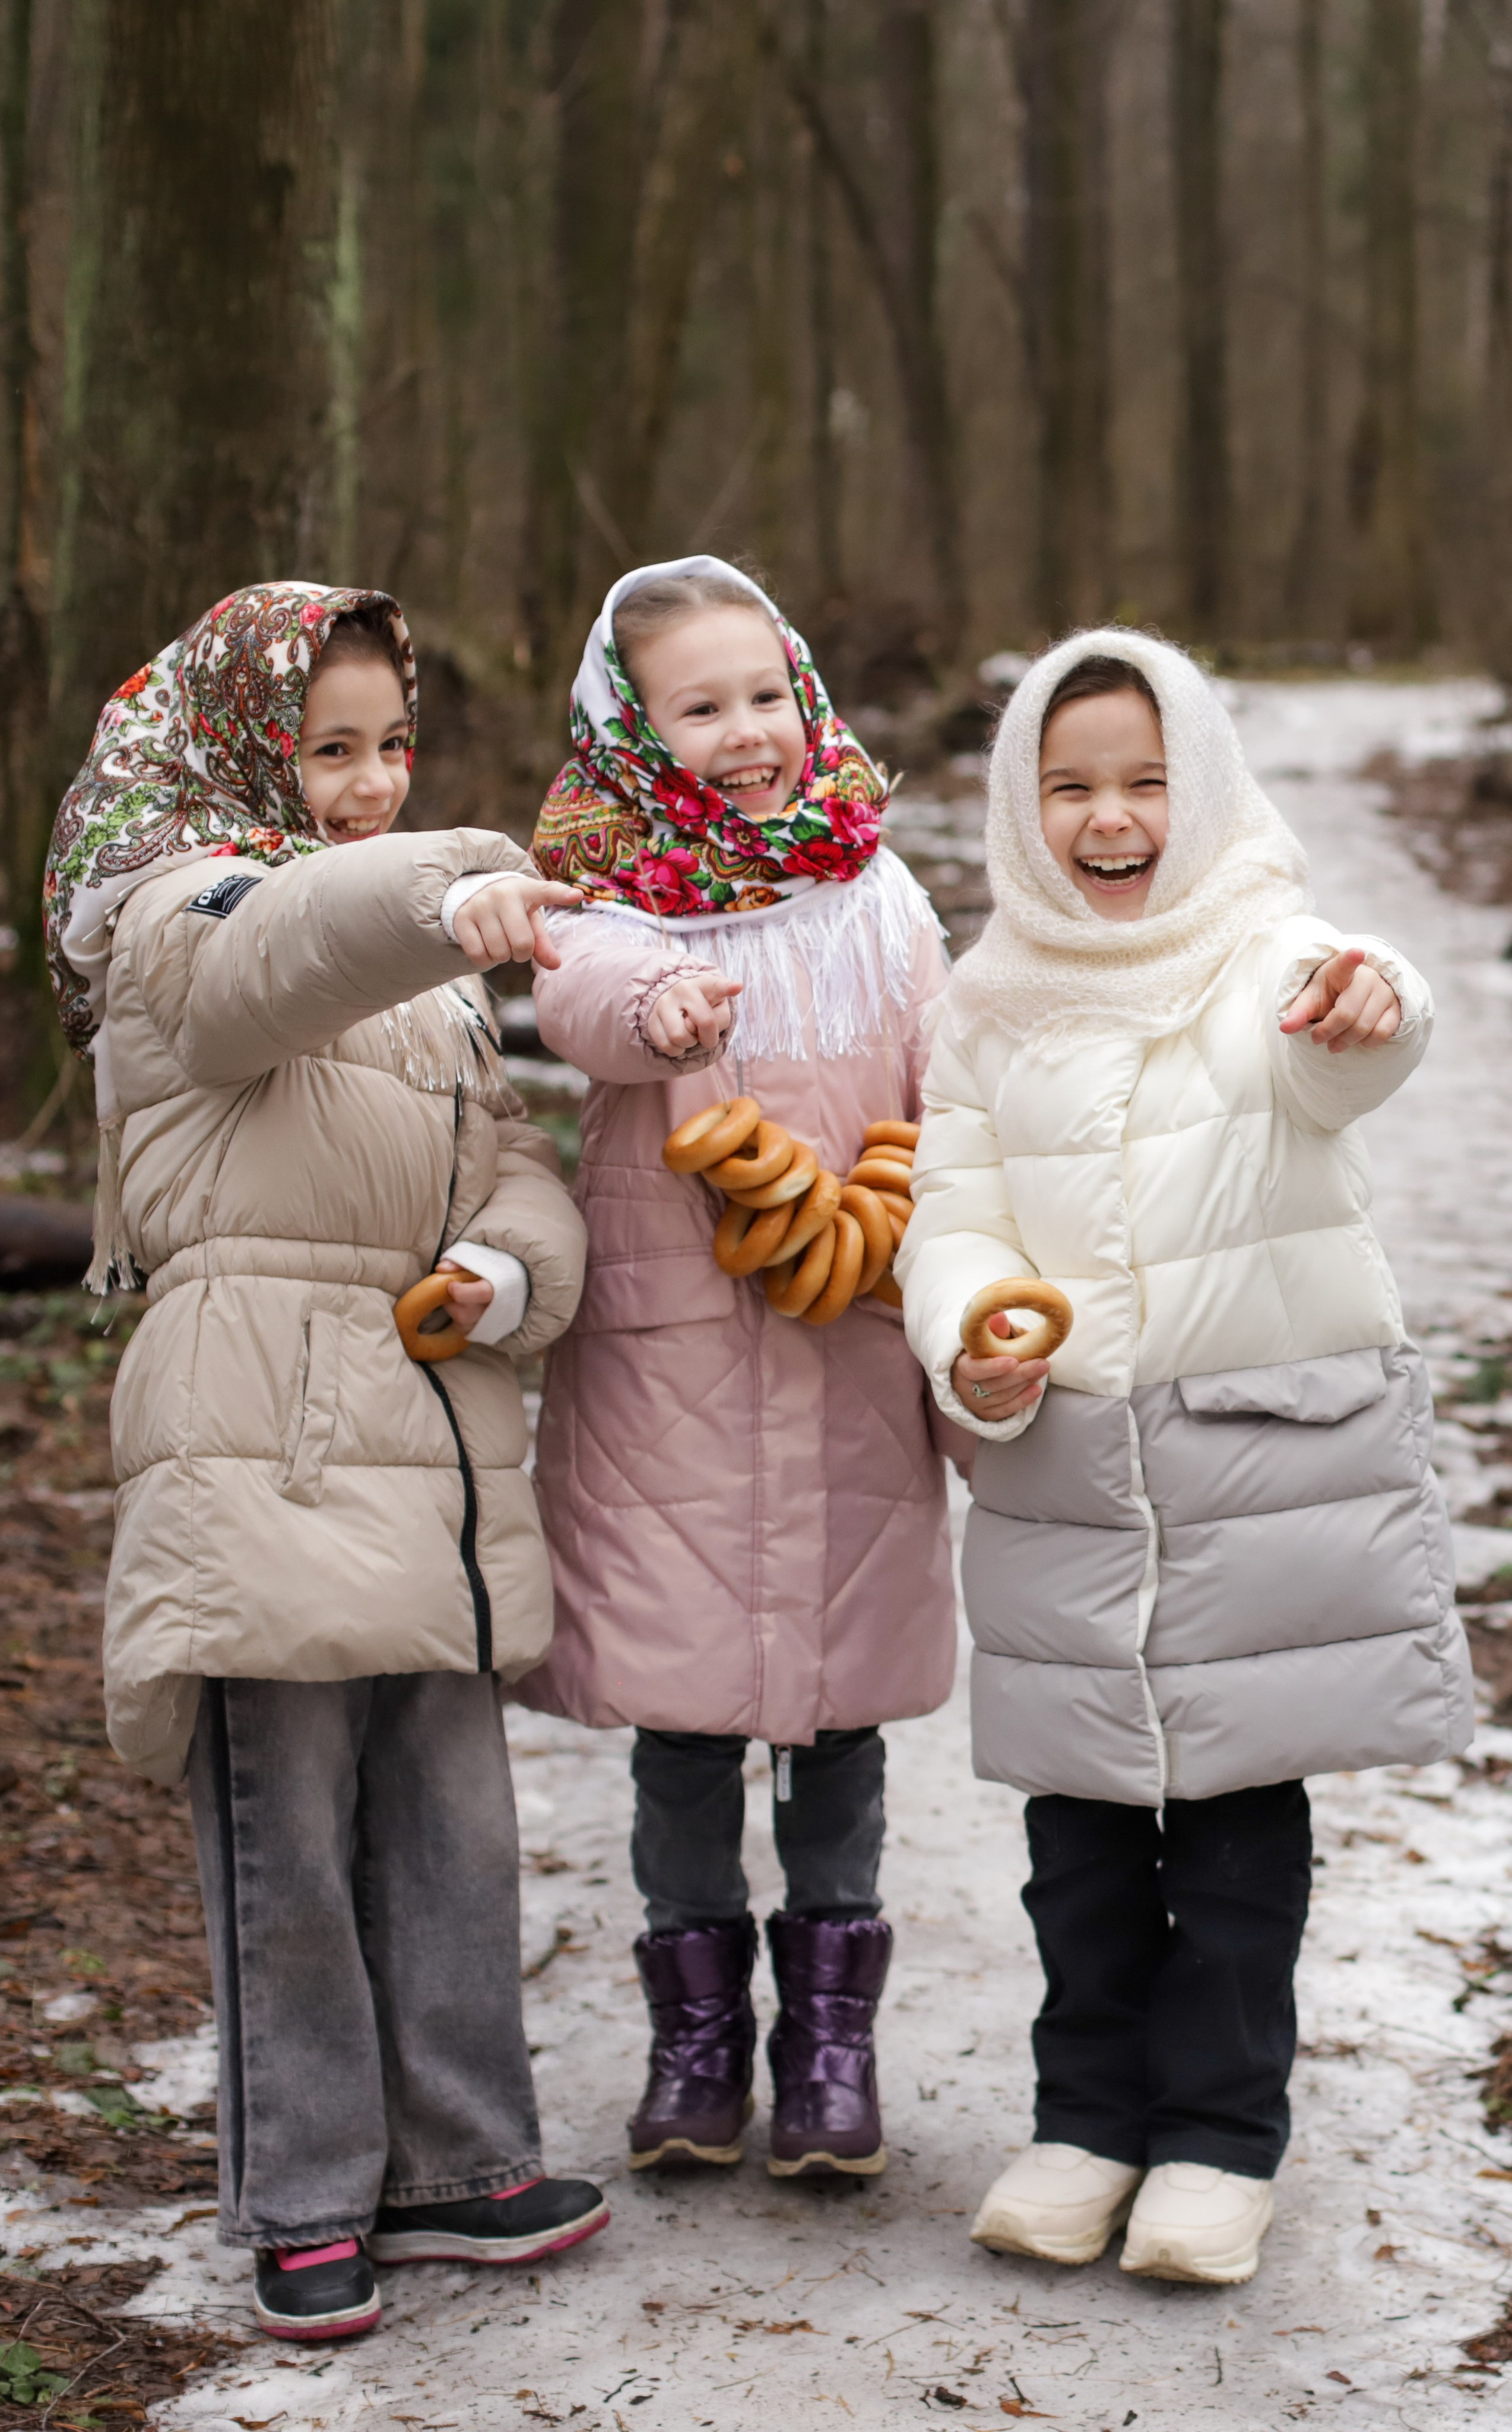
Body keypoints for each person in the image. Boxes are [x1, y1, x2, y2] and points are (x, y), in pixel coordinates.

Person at [43, 582, 605, 2343]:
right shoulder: (171, 917)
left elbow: (505, 1154)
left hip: (426, 1432)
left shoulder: (430, 994)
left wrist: (510, 1269)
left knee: (446, 1812)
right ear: (241, 749)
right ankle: (302, 2188)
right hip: (254, 1437)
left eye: (390, 748)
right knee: (285, 1828)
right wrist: (449, 883)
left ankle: (457, 2153)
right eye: (326, 749)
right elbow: (287, 952)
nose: (363, 783)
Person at [897, 629, 1470, 2287]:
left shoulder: (1270, 949)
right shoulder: (987, 1002)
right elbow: (952, 1211)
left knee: (1233, 1834)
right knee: (1077, 1844)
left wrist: (1376, 1004)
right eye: (1067, 786)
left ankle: (1218, 2138)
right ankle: (1082, 2122)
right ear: (1021, 808)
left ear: (1200, 790)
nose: (1108, 817)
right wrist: (973, 1333)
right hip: (1065, 1471)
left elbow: (1344, 1043)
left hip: (1247, 1475)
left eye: (1145, 782)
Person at [510, 555, 962, 2180]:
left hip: (847, 1341)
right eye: (700, 708)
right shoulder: (608, 899)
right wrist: (673, 994)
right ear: (634, 732)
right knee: (685, 1729)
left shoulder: (880, 896)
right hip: (672, 1376)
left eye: (765, 695)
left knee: (837, 1728)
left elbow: (949, 1082)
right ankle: (696, 2042)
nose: (745, 732)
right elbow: (584, 1001)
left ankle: (830, 2048)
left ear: (807, 701)